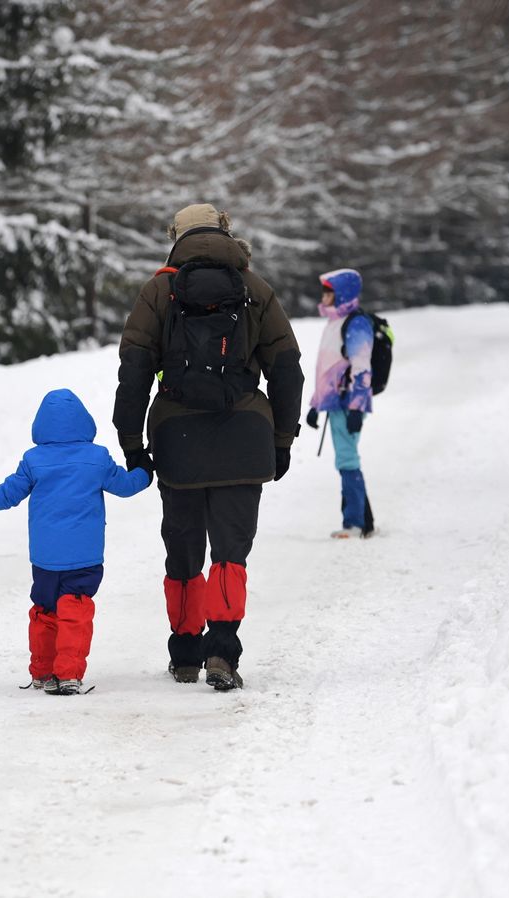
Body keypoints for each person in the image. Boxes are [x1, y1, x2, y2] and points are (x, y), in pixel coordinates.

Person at [112, 203, 304, 690]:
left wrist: (132, 443)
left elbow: (134, 370)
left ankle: (184, 653)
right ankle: (222, 651)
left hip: (178, 439)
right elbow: (287, 370)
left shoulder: (159, 291)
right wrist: (282, 440)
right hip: (245, 439)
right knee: (229, 555)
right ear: (225, 234)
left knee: (183, 551)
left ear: (175, 237)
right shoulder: (255, 290)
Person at [0, 389, 152, 696]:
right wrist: (145, 471)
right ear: (84, 422)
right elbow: (126, 486)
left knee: (44, 610)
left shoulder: (34, 460)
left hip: (45, 559)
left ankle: (41, 672)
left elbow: (8, 494)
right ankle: (68, 674)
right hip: (85, 557)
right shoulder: (97, 458)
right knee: (75, 611)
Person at [304, 268, 375, 538]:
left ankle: (354, 523)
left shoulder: (355, 323)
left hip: (347, 404)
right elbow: (327, 369)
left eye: (329, 292)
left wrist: (357, 407)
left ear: (342, 293)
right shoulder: (335, 322)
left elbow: (361, 367)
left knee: (347, 460)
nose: (324, 296)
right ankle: (363, 522)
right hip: (335, 403)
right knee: (346, 459)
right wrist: (315, 405)